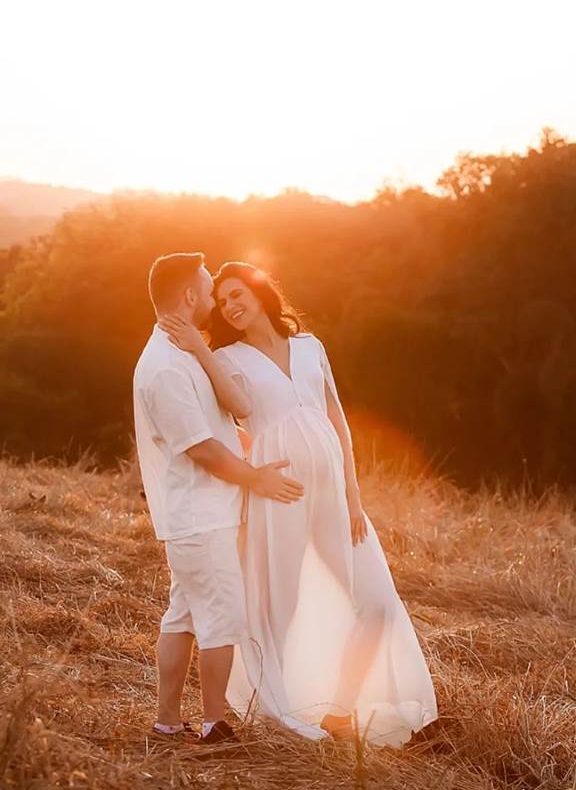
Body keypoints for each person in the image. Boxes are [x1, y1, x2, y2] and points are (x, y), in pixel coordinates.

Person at [160, 262, 438, 747]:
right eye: (222, 301)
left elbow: (338, 421)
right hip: (277, 490)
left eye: (237, 293)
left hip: (334, 492)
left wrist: (353, 494)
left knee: (376, 601)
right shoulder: (229, 357)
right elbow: (242, 411)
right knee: (277, 608)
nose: (231, 305)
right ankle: (278, 711)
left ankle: (338, 710)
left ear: (260, 291)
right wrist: (203, 350)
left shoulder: (311, 348)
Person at [133, 252, 304, 745]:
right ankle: (215, 724)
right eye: (209, 291)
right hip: (202, 516)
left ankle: (167, 720)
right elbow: (203, 450)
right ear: (190, 296)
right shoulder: (165, 367)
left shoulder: (181, 352)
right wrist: (256, 479)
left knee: (184, 614)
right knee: (220, 618)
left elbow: (225, 421)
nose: (213, 300)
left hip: (202, 514)